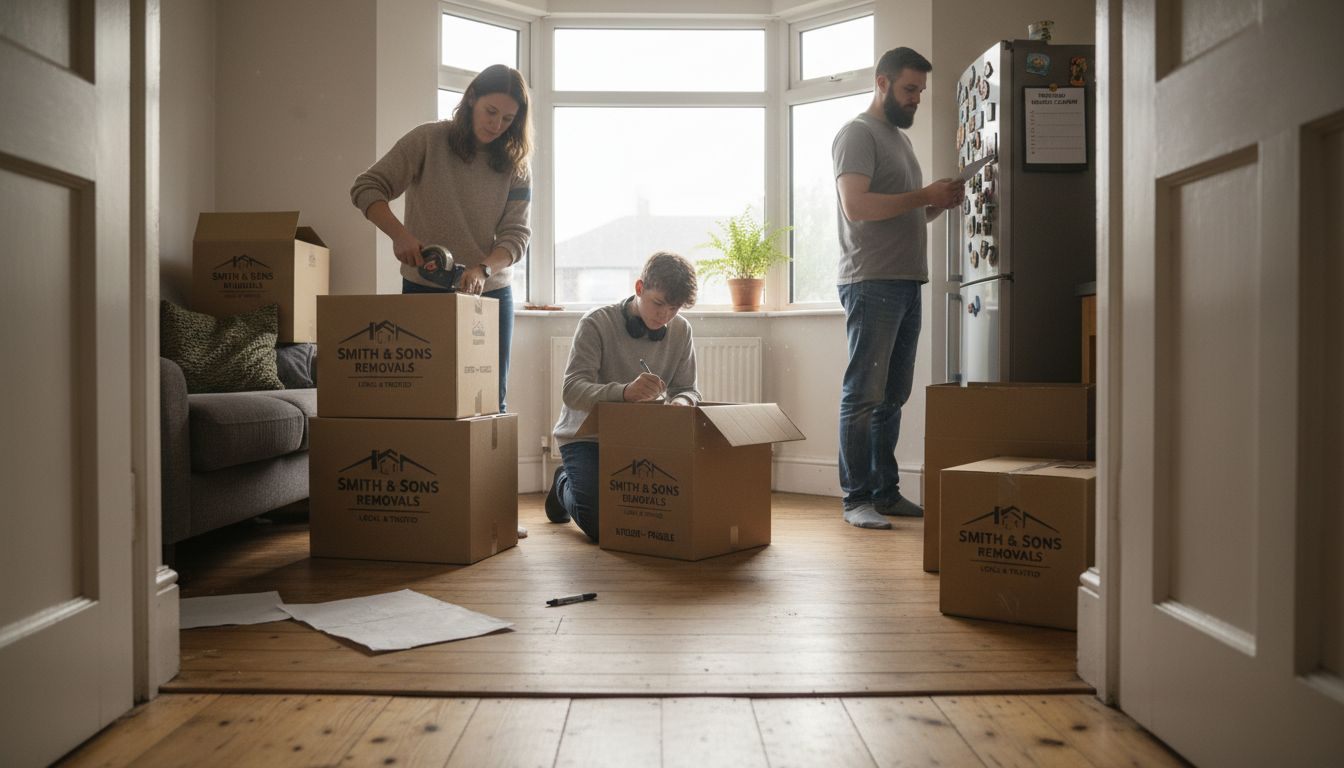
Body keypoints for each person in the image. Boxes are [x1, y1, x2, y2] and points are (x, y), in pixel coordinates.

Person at [832, 47, 964, 530]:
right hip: (871, 281)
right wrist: (924, 195)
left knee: (893, 396)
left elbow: (903, 212)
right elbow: (857, 207)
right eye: (910, 90)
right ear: (883, 83)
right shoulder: (857, 134)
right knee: (863, 396)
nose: (916, 100)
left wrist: (937, 204)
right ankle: (856, 499)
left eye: (921, 92)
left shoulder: (899, 141)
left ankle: (885, 494)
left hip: (907, 282)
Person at [350, 63, 532, 412]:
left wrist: (482, 270)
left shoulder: (516, 164)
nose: (496, 125)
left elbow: (516, 236)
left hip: (490, 294)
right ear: (471, 100)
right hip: (424, 286)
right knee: (422, 398)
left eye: (508, 119)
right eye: (490, 112)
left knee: (489, 401)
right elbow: (366, 187)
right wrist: (400, 235)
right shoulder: (428, 140)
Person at [545, 252, 702, 542]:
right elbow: (572, 391)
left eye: (674, 308)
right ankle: (562, 481)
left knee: (664, 514)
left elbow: (688, 389)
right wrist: (624, 392)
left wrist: (681, 403)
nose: (664, 315)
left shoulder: (681, 330)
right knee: (603, 526)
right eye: (658, 304)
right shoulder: (596, 323)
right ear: (639, 288)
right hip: (585, 437)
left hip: (643, 437)